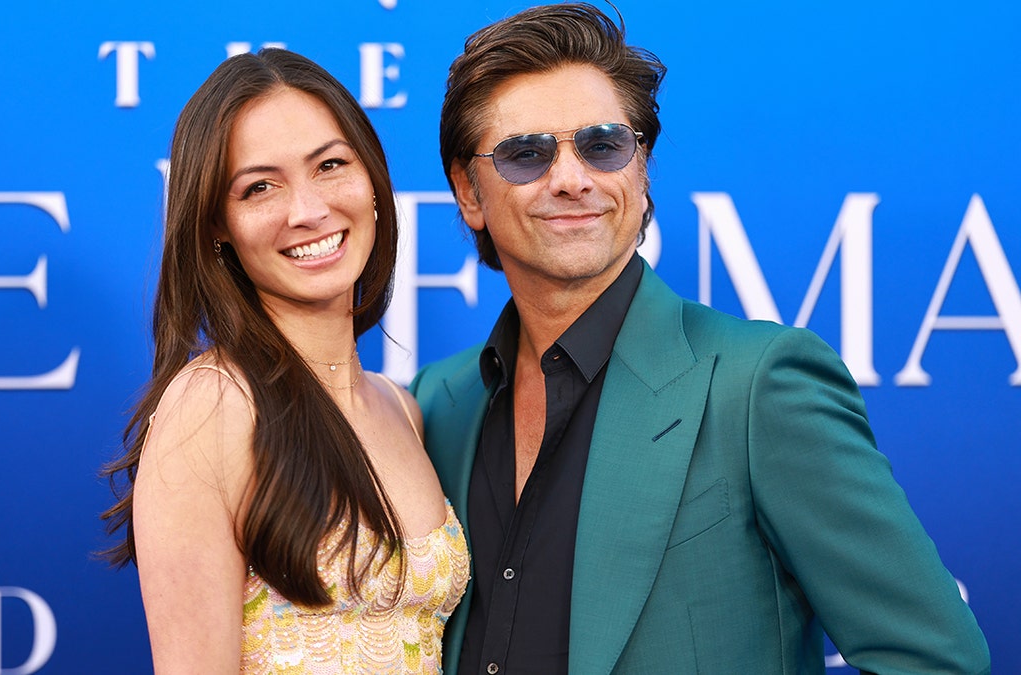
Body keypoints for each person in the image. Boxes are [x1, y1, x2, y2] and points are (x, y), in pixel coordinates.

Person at [410, 3, 990, 674]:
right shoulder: (443, 400)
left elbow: (934, 657)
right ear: (468, 191)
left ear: (640, 167)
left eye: (603, 144)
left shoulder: (758, 384)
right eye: (525, 154)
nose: (571, 179)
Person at [101, 48, 468, 673]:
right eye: (260, 187)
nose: (307, 211)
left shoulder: (401, 409)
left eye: (330, 165)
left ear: (373, 181)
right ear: (218, 223)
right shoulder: (211, 406)